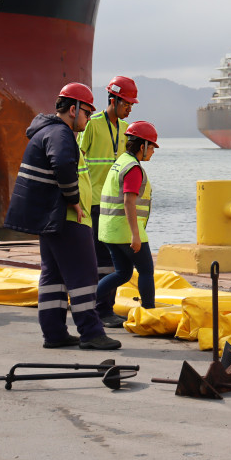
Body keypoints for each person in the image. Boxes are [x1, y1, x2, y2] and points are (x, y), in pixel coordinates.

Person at [4, 83, 120, 350]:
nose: (88, 119)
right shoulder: (60, 133)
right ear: (73, 109)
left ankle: (54, 333)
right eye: (87, 113)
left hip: (51, 219)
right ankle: (91, 333)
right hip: (67, 217)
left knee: (53, 277)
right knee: (84, 276)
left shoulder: (44, 132)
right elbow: (63, 164)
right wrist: (74, 201)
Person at [78, 76, 139, 295]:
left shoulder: (126, 129)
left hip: (116, 205)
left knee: (115, 260)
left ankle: (104, 306)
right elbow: (76, 159)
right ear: (112, 100)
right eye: (126, 103)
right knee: (100, 258)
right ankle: (100, 308)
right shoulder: (92, 124)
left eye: (131, 104)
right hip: (95, 203)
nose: (129, 108)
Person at [95, 121, 158, 327]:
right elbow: (128, 201)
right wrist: (135, 235)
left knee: (123, 273)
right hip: (125, 231)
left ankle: (86, 302)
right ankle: (149, 313)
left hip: (110, 230)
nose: (152, 152)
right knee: (146, 270)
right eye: (152, 147)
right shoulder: (133, 168)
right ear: (142, 146)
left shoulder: (120, 161)